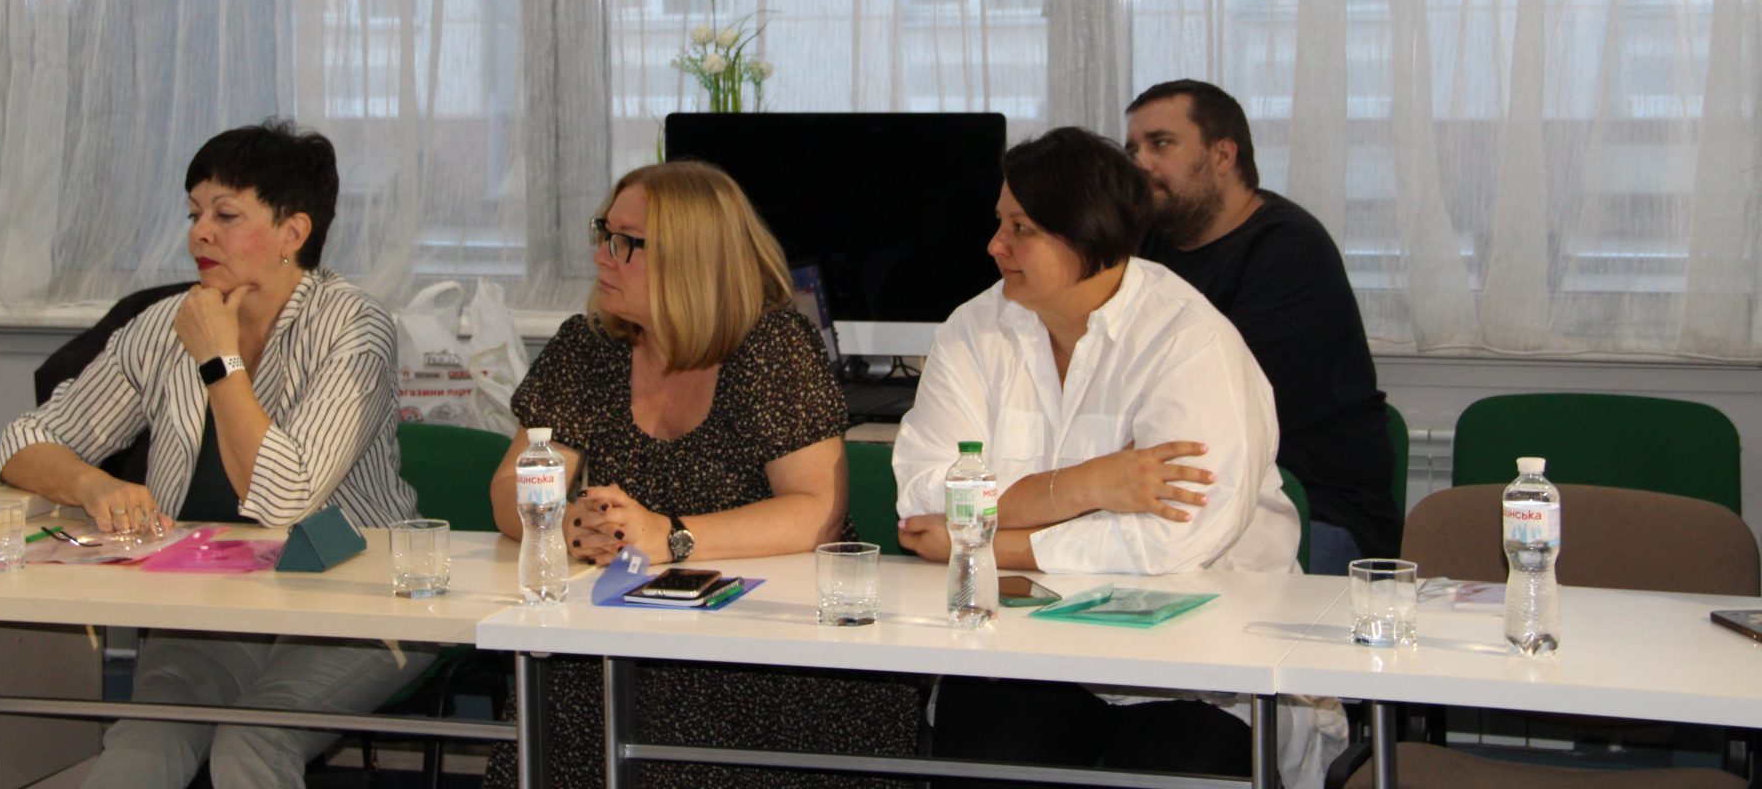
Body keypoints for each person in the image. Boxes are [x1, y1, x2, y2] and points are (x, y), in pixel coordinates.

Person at [892, 126, 1344, 789]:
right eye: (1000, 222)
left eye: (1021, 229)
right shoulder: (973, 329)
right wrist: (1088, 485)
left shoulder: (1190, 341)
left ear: (1089, 234)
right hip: (1026, 649)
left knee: (1176, 770)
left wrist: (994, 546)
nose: (995, 245)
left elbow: (1175, 541)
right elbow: (925, 498)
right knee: (986, 762)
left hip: (1197, 661)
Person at [0, 120, 435, 789]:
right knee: (142, 746)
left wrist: (220, 360)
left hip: (357, 602)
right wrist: (93, 486)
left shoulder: (355, 328)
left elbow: (284, 498)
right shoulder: (164, 324)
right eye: (194, 214)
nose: (199, 234)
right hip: (212, 603)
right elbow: (22, 441)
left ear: (293, 232)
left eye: (225, 215)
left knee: (251, 741)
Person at [484, 160, 920, 789]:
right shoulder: (588, 347)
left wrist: (670, 536)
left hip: (765, 654)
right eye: (603, 233)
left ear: (692, 259)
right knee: (552, 710)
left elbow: (815, 511)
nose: (603, 255)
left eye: (626, 242)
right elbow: (510, 487)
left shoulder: (772, 346)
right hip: (617, 638)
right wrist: (564, 523)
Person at [1125, 79, 1401, 570]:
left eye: (1160, 144)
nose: (1140, 163)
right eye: (1132, 149)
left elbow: (1209, 400)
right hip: (1192, 494)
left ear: (1223, 155)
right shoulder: (1144, 248)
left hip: (1311, 506)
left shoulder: (1290, 250)